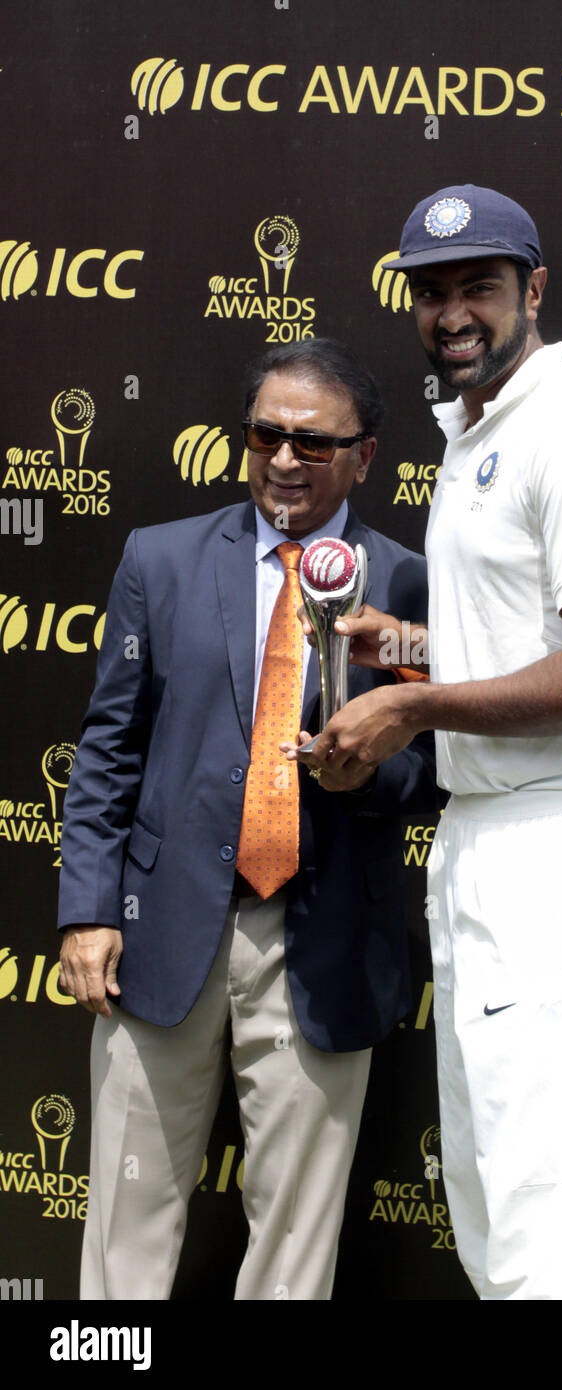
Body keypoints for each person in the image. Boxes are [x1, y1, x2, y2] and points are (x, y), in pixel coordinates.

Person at [295, 187, 562, 1300]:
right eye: (432, 290)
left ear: (533, 291)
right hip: (496, 829)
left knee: (537, 1185)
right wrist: (407, 644)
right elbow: (518, 640)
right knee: (486, 1172)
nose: (452, 311)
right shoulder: (475, 432)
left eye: (479, 286)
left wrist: (407, 708)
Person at [57, 338, 437, 1300]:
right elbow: (109, 747)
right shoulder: (162, 559)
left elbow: (437, 773)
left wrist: (365, 777)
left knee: (296, 1242)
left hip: (325, 937)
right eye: (265, 434)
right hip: (162, 930)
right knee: (126, 1224)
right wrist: (89, 909)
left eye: (313, 444)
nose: (282, 460)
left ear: (366, 456)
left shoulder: (411, 588)